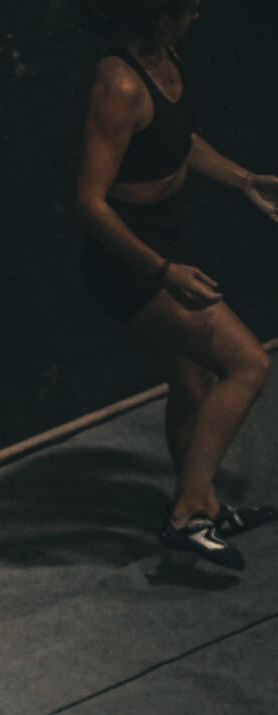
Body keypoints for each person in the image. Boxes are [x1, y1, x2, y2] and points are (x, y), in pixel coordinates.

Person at [74, 0, 278, 568]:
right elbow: (88, 203)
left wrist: (244, 181)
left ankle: (205, 505)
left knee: (193, 381)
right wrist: (163, 271)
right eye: (189, 8)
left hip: (166, 240)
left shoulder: (165, 58)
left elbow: (178, 141)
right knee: (248, 364)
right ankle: (186, 516)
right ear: (157, 18)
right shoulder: (118, 84)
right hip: (127, 262)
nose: (198, 15)